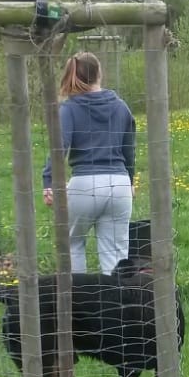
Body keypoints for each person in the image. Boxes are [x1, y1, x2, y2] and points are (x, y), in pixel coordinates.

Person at [42, 50, 137, 274]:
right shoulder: (121, 106)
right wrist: (130, 182)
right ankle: (117, 296)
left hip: (84, 184)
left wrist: (49, 180)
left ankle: (78, 295)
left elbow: (59, 147)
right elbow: (129, 151)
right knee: (116, 253)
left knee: (73, 244)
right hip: (119, 185)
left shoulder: (69, 109)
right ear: (99, 73)